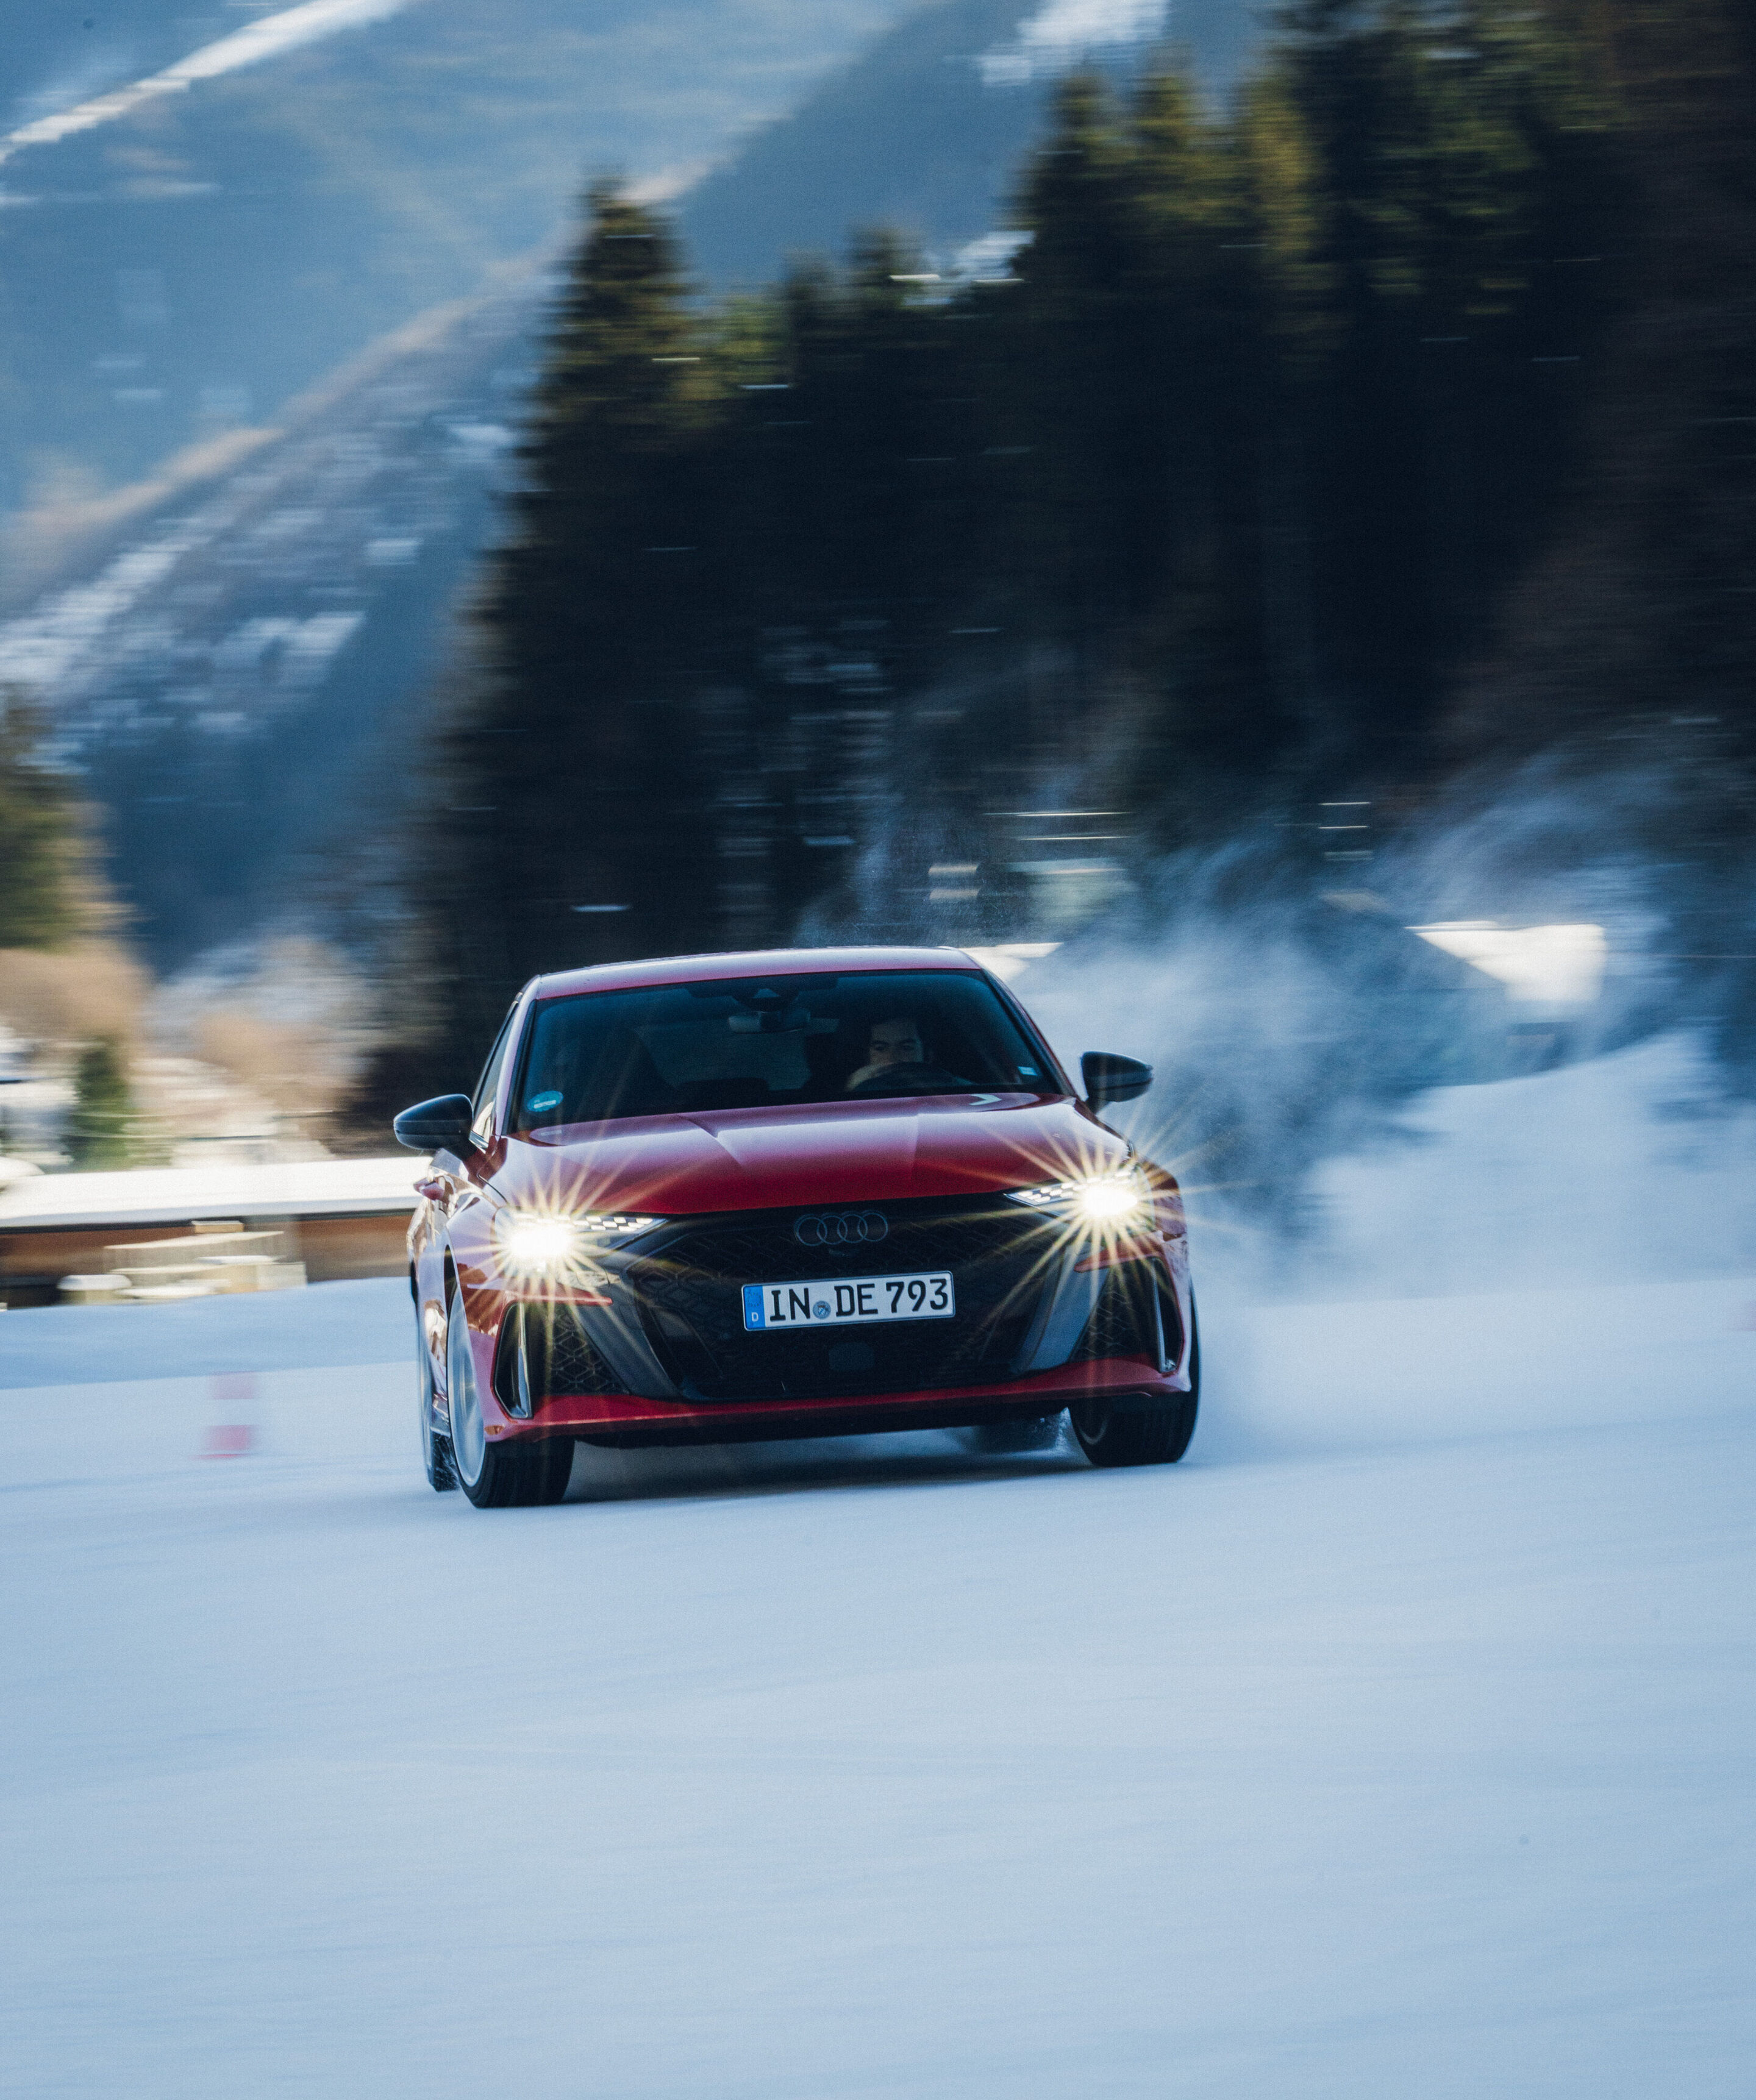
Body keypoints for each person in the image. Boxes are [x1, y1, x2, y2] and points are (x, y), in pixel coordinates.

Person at [844, 1016, 926, 1092]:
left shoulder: (933, 1092)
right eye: (880, 1048)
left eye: (906, 1047)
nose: (892, 1059)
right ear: (867, 1056)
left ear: (928, 1054)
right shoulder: (858, 1086)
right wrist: (854, 1089)